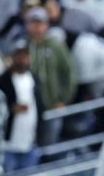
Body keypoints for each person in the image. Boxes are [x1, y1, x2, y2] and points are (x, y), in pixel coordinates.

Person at [0, 39, 45, 172]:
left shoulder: (34, 79)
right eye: (19, 55)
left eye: (25, 56)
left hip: (30, 142)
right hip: (8, 144)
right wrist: (11, 109)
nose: (22, 59)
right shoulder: (0, 81)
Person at [26, 7, 77, 137]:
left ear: (46, 25)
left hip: (52, 104)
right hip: (29, 105)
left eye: (40, 23)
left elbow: (69, 72)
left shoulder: (56, 46)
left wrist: (64, 99)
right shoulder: (23, 46)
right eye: (33, 23)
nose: (37, 27)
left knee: (49, 140)